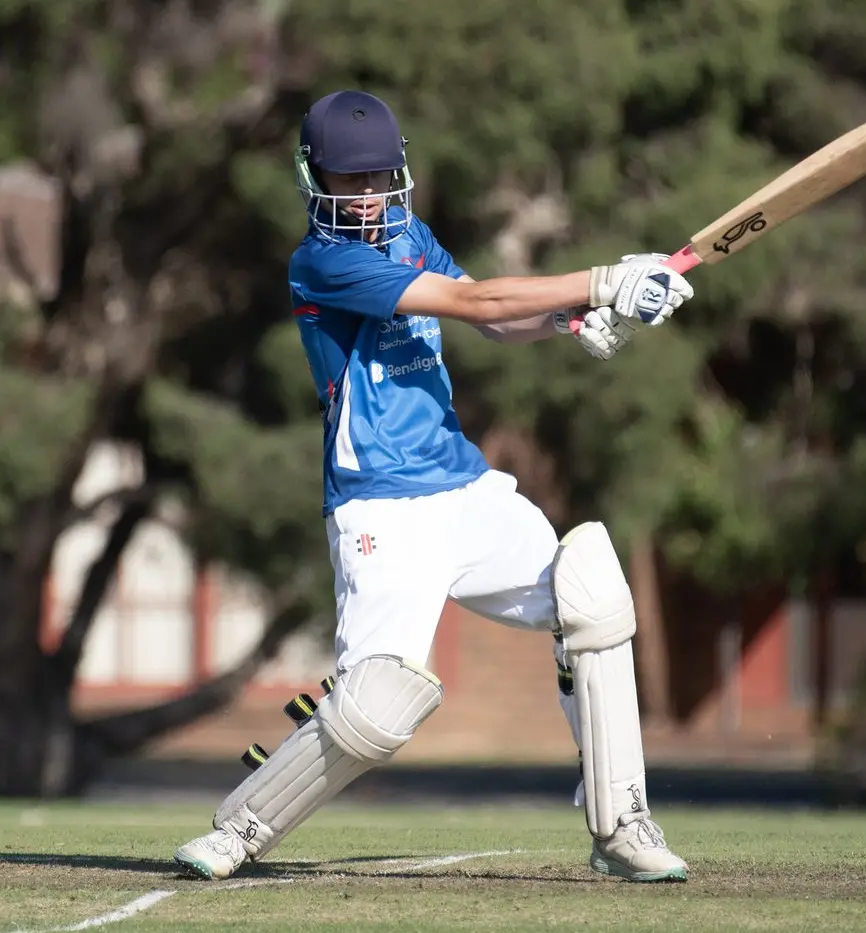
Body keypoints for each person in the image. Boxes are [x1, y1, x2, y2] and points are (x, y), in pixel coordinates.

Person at [174, 90, 694, 884]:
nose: (367, 194)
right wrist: (600, 282)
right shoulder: (323, 262)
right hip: (380, 504)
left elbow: (495, 320)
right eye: (350, 180)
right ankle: (241, 828)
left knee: (591, 597)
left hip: (464, 486)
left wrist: (570, 320)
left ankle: (621, 824)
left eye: (378, 176)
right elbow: (473, 300)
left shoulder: (410, 234)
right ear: (315, 179)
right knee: (379, 701)